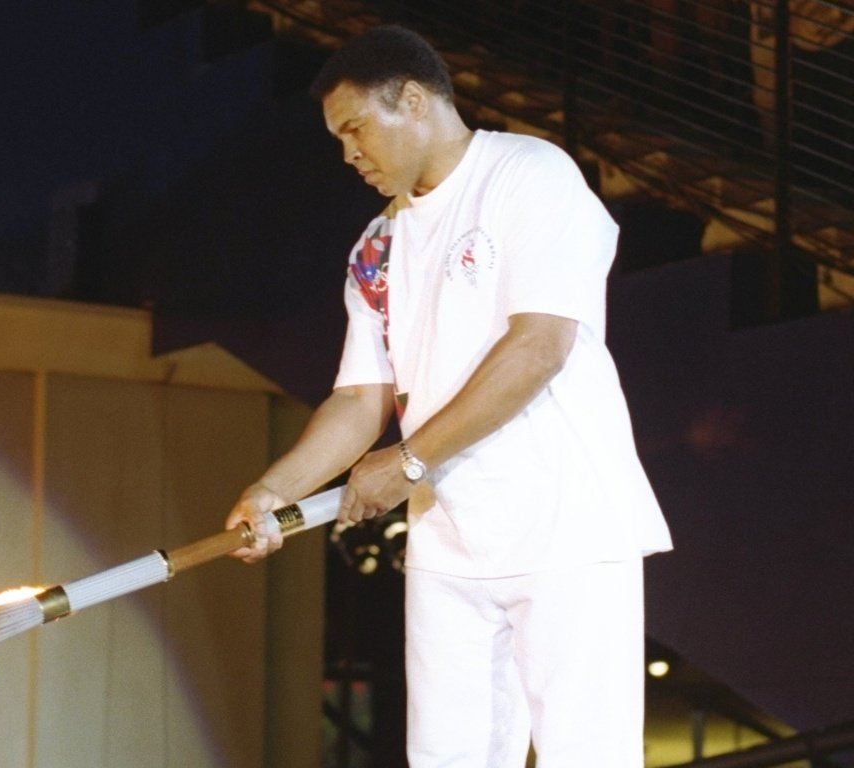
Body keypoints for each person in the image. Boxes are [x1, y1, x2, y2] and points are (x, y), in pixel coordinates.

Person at [225, 24, 673, 768]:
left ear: (413, 100)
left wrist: (406, 463)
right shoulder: (377, 247)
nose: (348, 154)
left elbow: (540, 346)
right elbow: (359, 399)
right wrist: (274, 491)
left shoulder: (530, 174)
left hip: (568, 531)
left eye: (356, 128)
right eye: (338, 139)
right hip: (449, 544)